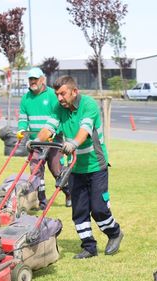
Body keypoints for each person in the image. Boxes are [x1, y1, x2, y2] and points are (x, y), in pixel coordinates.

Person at [30, 75, 123, 259]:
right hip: (75, 168)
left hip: (95, 165)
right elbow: (49, 128)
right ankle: (89, 246)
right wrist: (34, 141)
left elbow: (84, 130)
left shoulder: (89, 105)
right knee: (79, 209)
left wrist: (73, 143)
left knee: (98, 208)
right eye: (57, 94)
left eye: (63, 94)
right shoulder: (59, 108)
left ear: (74, 91)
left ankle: (114, 233)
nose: (59, 98)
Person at [18, 67, 71, 208]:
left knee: (57, 170)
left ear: (42, 79)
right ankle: (42, 200)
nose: (33, 82)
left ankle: (69, 193)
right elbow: (23, 118)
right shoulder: (25, 98)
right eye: (31, 79)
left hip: (54, 141)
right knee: (35, 171)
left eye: (35, 79)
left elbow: (60, 117)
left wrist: (55, 132)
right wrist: (21, 130)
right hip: (36, 142)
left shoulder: (52, 96)